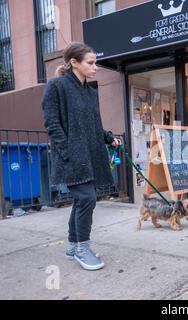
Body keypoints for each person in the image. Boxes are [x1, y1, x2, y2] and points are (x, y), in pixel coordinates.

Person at [41, 42, 119, 271]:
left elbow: (95, 124)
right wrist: (67, 152)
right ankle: (82, 248)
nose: (96, 67)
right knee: (87, 199)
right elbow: (52, 124)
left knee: (81, 200)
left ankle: (73, 246)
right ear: (74, 62)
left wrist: (108, 137)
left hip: (90, 155)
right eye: (91, 63)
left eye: (96, 62)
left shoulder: (91, 92)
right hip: (71, 157)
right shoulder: (56, 86)